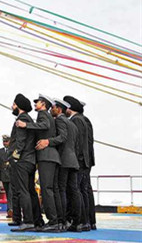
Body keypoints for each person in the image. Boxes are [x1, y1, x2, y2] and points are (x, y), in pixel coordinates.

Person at [15, 94, 61, 232]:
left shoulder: (42, 114)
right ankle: (55, 221)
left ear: (44, 105)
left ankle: (53, 221)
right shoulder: (47, 115)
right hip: (50, 156)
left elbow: (44, 125)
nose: (35, 105)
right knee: (49, 190)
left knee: (46, 190)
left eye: (38, 102)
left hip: (46, 156)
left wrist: (25, 125)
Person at [47, 98, 82, 232]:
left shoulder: (60, 120)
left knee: (60, 190)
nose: (51, 109)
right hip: (73, 160)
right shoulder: (72, 123)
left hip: (63, 159)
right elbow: (76, 144)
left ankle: (61, 221)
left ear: (59, 109)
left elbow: (62, 137)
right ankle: (77, 222)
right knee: (74, 191)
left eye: (53, 107)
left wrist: (48, 141)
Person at [8, 94, 39, 232]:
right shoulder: (29, 119)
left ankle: (28, 221)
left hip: (23, 160)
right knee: (31, 191)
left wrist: (15, 157)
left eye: (14, 104)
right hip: (30, 160)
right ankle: (36, 220)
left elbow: (20, 141)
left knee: (23, 191)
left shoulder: (21, 119)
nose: (12, 107)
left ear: (18, 106)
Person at [63, 96, 92, 232]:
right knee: (82, 191)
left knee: (77, 191)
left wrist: (76, 159)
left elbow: (79, 143)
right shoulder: (81, 120)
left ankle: (81, 221)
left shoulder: (77, 120)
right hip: (83, 160)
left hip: (79, 161)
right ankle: (86, 222)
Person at [82, 102, 97, 230]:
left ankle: (87, 220)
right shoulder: (86, 121)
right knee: (86, 189)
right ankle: (90, 220)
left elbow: (85, 143)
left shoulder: (82, 121)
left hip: (84, 161)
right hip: (86, 160)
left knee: (84, 190)